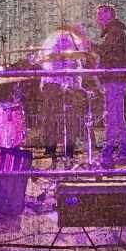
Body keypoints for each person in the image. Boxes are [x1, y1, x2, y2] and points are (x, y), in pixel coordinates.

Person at [37, 28, 88, 163]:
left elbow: (41, 61)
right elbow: (79, 64)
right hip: (62, 83)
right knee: (68, 117)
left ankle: (50, 149)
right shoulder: (72, 39)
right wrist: (76, 85)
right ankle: (68, 149)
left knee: (51, 117)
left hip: (53, 83)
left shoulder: (51, 39)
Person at [92, 4, 126, 168]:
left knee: (111, 117)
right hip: (117, 80)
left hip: (114, 80)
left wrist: (87, 44)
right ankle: (124, 150)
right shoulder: (115, 32)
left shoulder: (114, 32)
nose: (97, 19)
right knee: (117, 116)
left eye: (100, 15)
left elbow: (105, 51)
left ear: (109, 15)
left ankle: (107, 153)